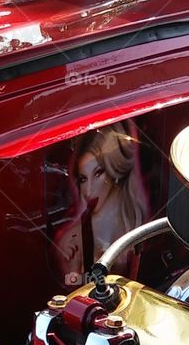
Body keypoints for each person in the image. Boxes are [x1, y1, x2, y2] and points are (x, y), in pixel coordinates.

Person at [54, 121, 150, 285]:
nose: (89, 190)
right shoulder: (73, 237)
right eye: (83, 179)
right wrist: (74, 265)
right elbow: (71, 284)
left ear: (115, 170)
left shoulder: (137, 222)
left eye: (98, 173)